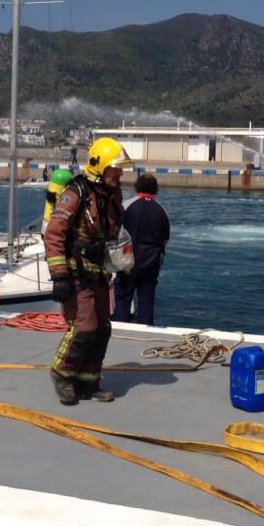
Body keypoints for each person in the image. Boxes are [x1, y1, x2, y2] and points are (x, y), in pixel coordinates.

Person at [44, 137, 133, 404]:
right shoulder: (75, 194)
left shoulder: (112, 194)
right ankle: (62, 374)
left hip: (99, 269)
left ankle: (88, 382)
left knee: (102, 327)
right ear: (99, 167)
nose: (119, 174)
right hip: (74, 270)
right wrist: (59, 276)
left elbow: (113, 233)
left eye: (120, 169)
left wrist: (123, 262)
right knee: (84, 327)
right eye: (114, 169)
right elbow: (54, 235)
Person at [113, 174, 170, 325]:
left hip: (128, 261)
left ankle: (120, 331)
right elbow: (165, 239)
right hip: (152, 261)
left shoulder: (127, 205)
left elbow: (116, 232)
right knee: (147, 301)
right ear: (155, 189)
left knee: (123, 298)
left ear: (137, 186)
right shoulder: (162, 210)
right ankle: (146, 330)